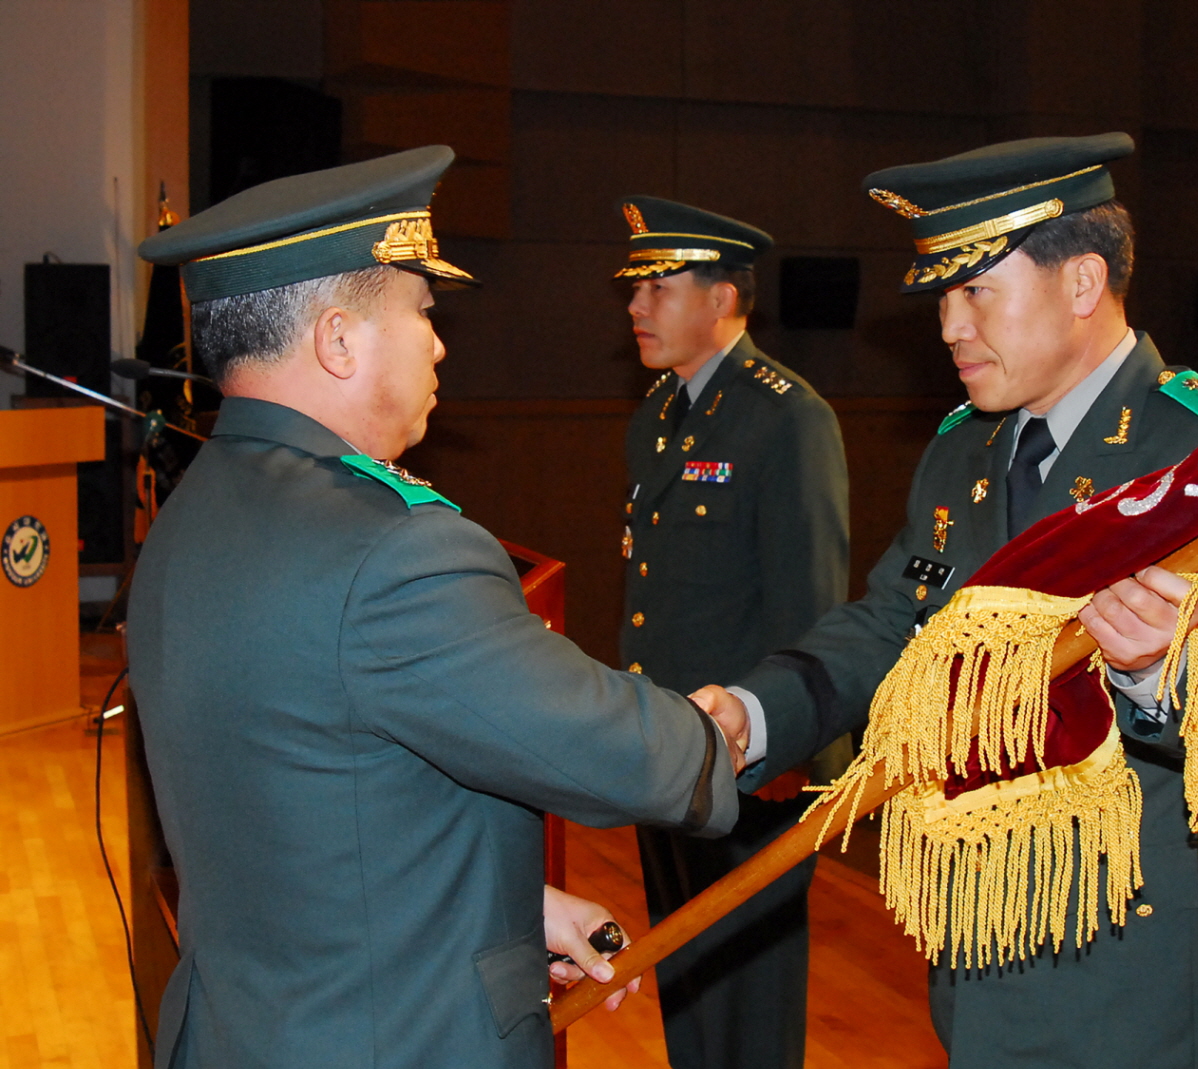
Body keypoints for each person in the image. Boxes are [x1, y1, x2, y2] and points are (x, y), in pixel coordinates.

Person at [128, 146, 743, 1069]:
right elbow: (616, 752)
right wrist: (719, 733)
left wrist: (505, 906)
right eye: (421, 310)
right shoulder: (390, 547)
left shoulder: (194, 512)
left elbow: (300, 801)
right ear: (338, 340)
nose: (440, 339)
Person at [695, 134, 1198, 1068]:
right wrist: (755, 713)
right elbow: (893, 621)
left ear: (1081, 283)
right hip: (979, 948)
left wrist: (1166, 674)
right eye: (944, 298)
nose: (948, 327)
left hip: (1139, 969)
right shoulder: (968, 446)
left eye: (976, 293)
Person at [614, 196, 850, 1069]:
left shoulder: (788, 417)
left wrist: (795, 749)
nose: (636, 306)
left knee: (750, 998)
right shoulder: (659, 417)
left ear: (722, 299)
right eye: (634, 288)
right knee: (685, 973)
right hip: (670, 748)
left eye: (659, 285)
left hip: (757, 766)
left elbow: (814, 605)